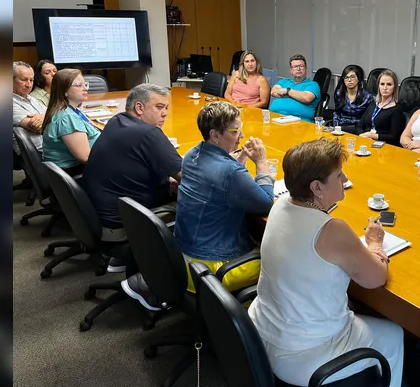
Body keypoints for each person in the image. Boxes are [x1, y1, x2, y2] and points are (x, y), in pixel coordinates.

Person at [248, 138, 403, 387]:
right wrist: (374, 244)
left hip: (260, 332)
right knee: (394, 334)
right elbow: (376, 279)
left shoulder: (280, 205)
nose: (344, 180)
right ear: (317, 187)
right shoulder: (333, 230)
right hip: (303, 355)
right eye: (339, 175)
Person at [173, 101, 274, 293]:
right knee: (281, 261)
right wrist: (261, 163)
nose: (241, 136)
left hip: (182, 257)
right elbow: (266, 203)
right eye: (235, 131)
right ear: (215, 135)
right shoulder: (230, 172)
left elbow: (223, 178)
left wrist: (240, 158)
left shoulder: (192, 154)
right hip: (211, 268)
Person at [83, 83, 182, 244]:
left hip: (99, 210)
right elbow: (188, 178)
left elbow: (133, 162)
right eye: (159, 107)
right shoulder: (149, 133)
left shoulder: (117, 120)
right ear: (139, 107)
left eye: (166, 108)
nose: (164, 114)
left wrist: (166, 179)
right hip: (122, 221)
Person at [41, 69, 99, 176]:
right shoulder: (67, 117)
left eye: (85, 84)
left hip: (73, 169)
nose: (85, 88)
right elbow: (86, 157)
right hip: (76, 173)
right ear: (64, 91)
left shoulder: (69, 110)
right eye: (78, 85)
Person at [356, 69, 405, 146]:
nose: (385, 88)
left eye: (389, 84)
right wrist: (363, 136)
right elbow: (360, 125)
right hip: (365, 141)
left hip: (384, 146)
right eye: (382, 84)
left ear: (394, 87)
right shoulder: (373, 104)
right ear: (378, 86)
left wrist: (372, 136)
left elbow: (394, 137)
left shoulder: (396, 110)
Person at [269, 54, 320, 122]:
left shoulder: (312, 85)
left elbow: (307, 98)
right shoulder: (284, 81)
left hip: (299, 123)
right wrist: (296, 95)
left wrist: (287, 91)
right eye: (295, 67)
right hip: (274, 119)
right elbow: (273, 92)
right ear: (291, 70)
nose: (298, 69)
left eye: (301, 66)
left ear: (306, 68)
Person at [12, 61, 47, 151]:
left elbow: (53, 115)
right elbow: (38, 127)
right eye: (24, 80)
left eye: (31, 80)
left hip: (51, 148)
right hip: (40, 155)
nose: (29, 85)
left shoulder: (32, 99)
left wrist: (44, 117)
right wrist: (49, 117)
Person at [331, 65, 372, 132]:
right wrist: (336, 127)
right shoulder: (339, 94)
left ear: (358, 79)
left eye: (352, 77)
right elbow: (337, 113)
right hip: (341, 127)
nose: (349, 80)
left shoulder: (367, 97)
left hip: (358, 129)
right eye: (346, 78)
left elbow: (368, 119)